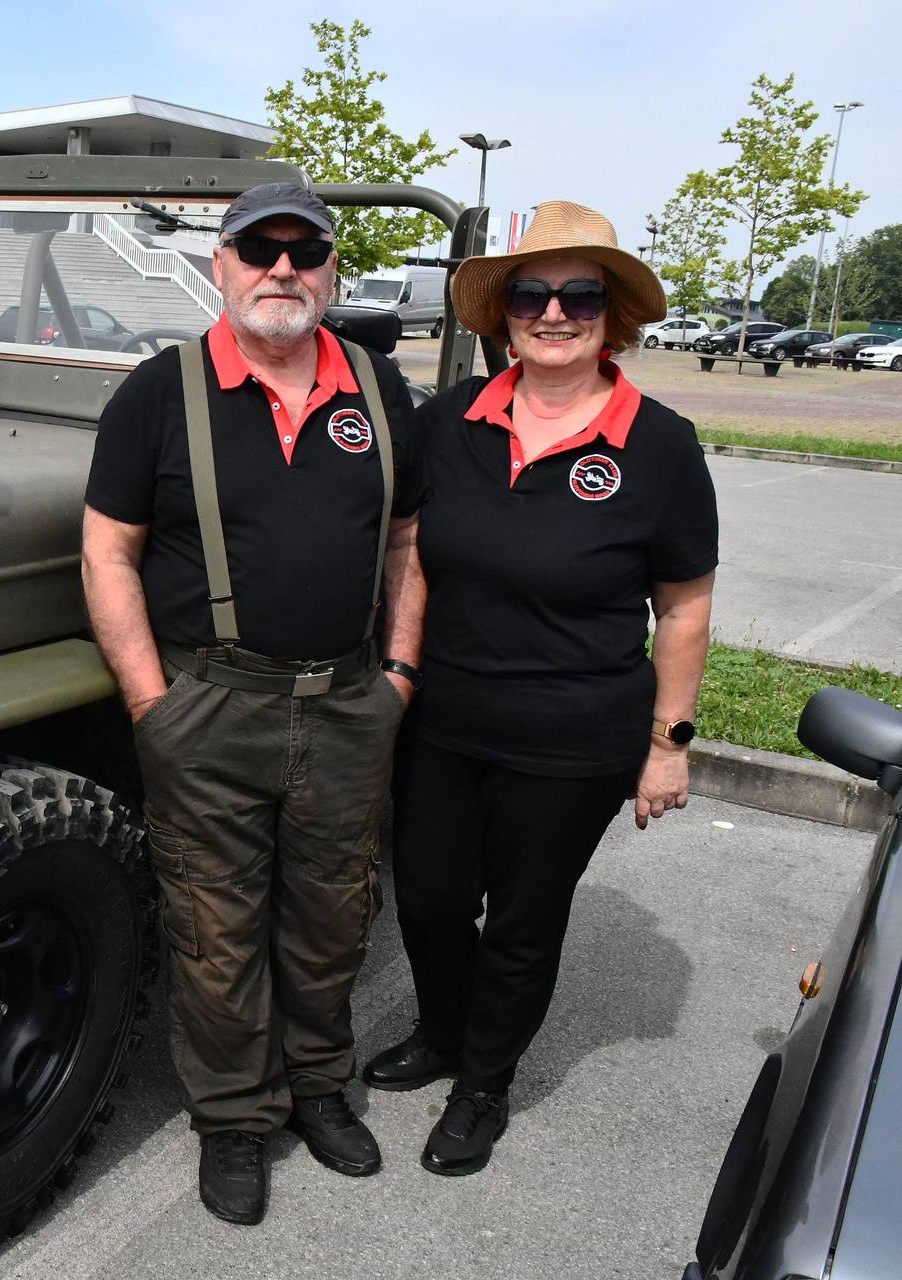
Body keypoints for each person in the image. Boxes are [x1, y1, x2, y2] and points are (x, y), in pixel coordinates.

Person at [82, 183, 425, 1225]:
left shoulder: (378, 389)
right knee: (216, 927)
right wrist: (151, 701)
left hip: (349, 703)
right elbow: (107, 551)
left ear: (331, 270)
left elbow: (409, 544)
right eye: (260, 249)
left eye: (305, 250)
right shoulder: (157, 392)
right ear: (221, 266)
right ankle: (235, 1115)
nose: (284, 268)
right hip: (211, 710)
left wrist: (401, 675)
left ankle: (320, 1083)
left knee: (332, 913)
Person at [363, 201, 717, 1176]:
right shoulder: (451, 421)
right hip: (445, 720)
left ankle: (483, 1082)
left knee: (523, 921)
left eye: (579, 294)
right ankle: (442, 1030)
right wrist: (399, 673)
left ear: (612, 315)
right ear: (502, 312)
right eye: (531, 292)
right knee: (430, 901)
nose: (553, 311)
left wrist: (668, 741)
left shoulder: (660, 445)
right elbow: (416, 555)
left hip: (574, 739)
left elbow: (683, 606)